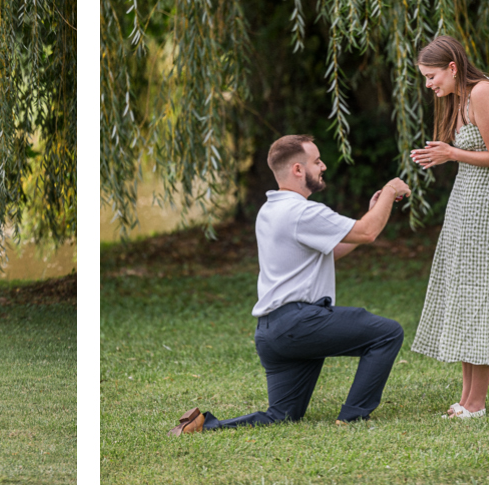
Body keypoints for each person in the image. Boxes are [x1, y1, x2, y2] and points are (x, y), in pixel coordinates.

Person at [168, 135, 411, 436]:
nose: (323, 166)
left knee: (282, 416)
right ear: (298, 169)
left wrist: (371, 212)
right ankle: (353, 418)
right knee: (387, 333)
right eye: (317, 161)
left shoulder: (270, 210)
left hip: (272, 333)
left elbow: (332, 250)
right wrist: (390, 191)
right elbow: (368, 233)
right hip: (299, 324)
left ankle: (204, 426)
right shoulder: (302, 212)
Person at [409, 35, 489, 419]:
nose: (428, 84)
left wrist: (450, 152)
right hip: (462, 207)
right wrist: (442, 157)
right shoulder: (462, 99)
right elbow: (474, 156)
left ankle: (478, 404)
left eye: (431, 75)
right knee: (466, 297)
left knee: (482, 299)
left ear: (452, 67)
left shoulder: (483, 92)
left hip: (484, 210)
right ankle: (466, 398)